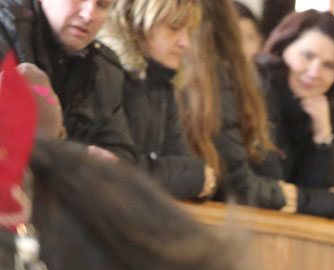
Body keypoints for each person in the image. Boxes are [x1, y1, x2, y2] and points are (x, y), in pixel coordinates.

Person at [258, 10, 334, 221]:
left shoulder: (314, 107)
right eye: (307, 56)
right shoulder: (259, 95)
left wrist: (323, 135)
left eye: (329, 65)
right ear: (282, 49)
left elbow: (322, 192)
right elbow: (272, 192)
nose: (315, 72)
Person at [176, 0, 294, 211]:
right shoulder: (215, 79)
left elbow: (265, 168)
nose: (182, 42)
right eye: (174, 28)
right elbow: (237, 185)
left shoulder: (253, 90)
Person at [98, 0, 217, 200]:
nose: (185, 42)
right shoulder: (108, 75)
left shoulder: (162, 83)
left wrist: (197, 178)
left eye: (188, 31)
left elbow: (181, 160)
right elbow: (117, 168)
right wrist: (196, 177)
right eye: (174, 28)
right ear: (138, 25)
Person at [0, 0, 135, 160]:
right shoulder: (5, 37)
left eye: (102, 5)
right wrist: (77, 158)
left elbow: (122, 151)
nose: (88, 15)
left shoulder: (105, 67)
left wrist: (111, 162)